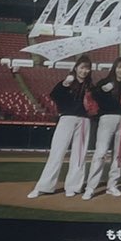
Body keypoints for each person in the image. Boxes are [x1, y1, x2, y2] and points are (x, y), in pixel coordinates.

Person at [28, 57, 94, 198]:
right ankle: (43, 186)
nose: (84, 71)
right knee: (57, 152)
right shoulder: (67, 82)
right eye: (82, 67)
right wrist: (64, 84)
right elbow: (54, 96)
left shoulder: (90, 86)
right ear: (76, 68)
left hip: (84, 120)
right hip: (66, 118)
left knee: (79, 155)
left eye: (87, 68)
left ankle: (73, 187)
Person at [80, 56, 121, 199]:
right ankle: (91, 187)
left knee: (120, 153)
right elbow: (92, 95)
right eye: (119, 67)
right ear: (114, 68)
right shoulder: (104, 82)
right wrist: (102, 90)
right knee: (100, 153)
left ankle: (112, 185)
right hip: (106, 119)